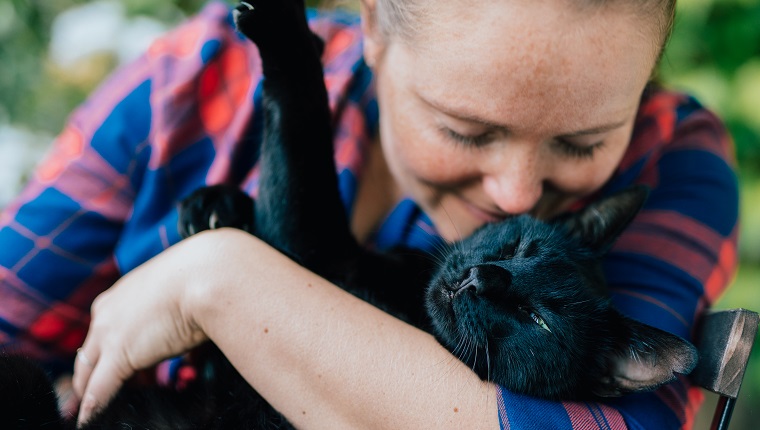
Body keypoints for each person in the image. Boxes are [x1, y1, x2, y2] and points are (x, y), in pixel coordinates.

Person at [0, 0, 738, 428]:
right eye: (466, 130)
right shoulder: (193, 83)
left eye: (582, 142)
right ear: (375, 30)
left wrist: (218, 279)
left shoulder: (669, 156)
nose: (516, 196)